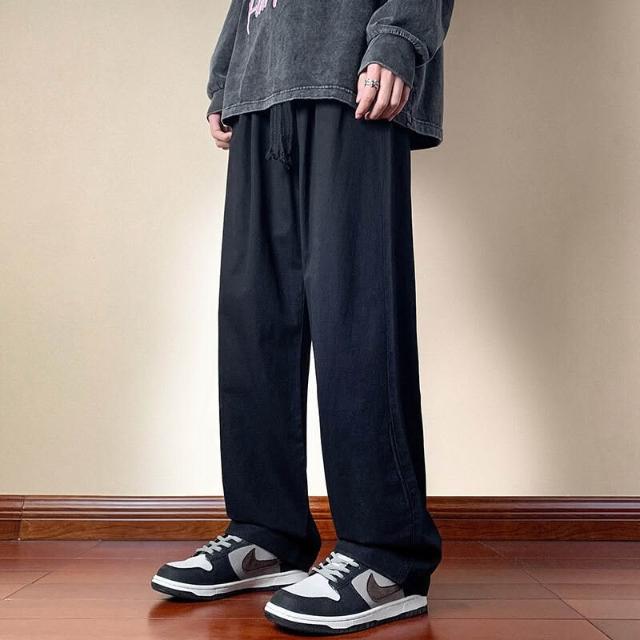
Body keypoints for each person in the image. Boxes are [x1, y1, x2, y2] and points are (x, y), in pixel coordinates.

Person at [151, 0, 454, 634]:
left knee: (356, 315)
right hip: (262, 91)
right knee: (253, 320)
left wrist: (398, 39)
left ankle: (387, 556)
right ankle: (267, 534)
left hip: (353, 77)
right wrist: (226, 77)